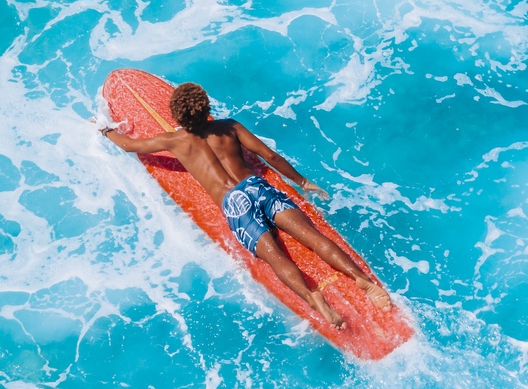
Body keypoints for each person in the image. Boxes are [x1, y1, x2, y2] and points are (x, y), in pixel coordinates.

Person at [100, 82, 391, 328]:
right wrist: (303, 182)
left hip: (235, 205)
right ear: (207, 109)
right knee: (312, 237)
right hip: (257, 188)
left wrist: (104, 129)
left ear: (176, 115)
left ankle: (314, 299)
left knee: (276, 257)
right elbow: (269, 157)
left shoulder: (175, 141)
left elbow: (128, 145)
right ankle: (362, 281)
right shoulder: (230, 128)